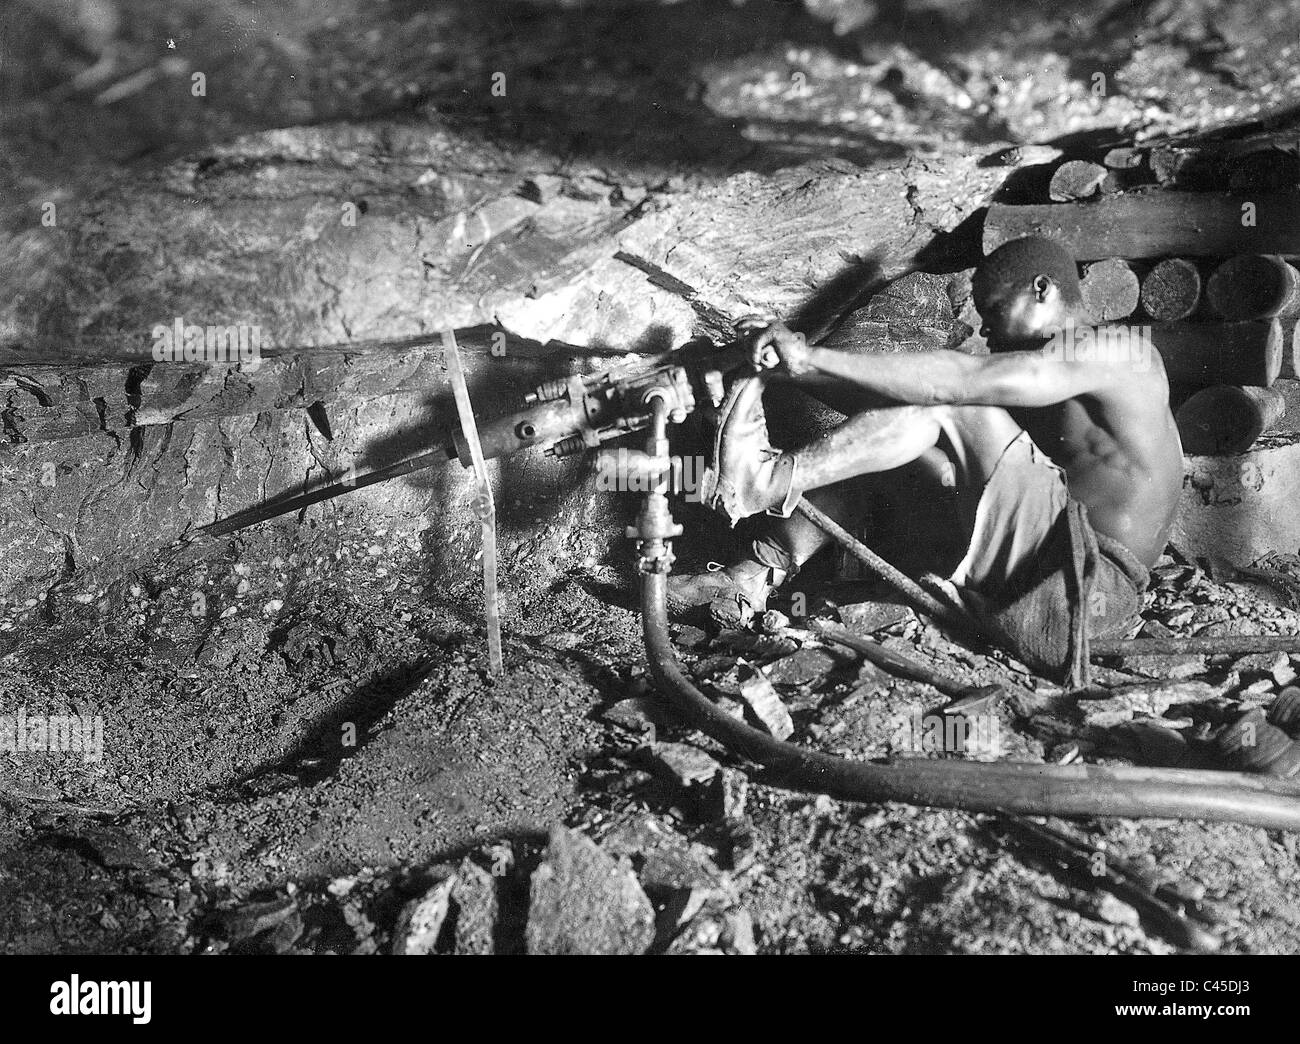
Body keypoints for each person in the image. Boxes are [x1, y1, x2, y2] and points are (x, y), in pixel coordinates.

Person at [668, 236, 1184, 682]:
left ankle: (765, 478)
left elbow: (957, 385)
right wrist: (782, 372)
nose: (987, 334)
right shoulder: (1045, 379)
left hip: (1081, 592)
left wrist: (814, 357)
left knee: (952, 404)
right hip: (1042, 579)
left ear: (1043, 290)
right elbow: (898, 415)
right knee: (901, 446)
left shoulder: (1123, 351)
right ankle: (748, 579)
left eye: (995, 313)